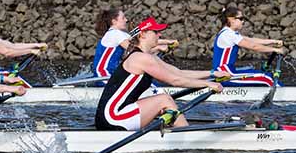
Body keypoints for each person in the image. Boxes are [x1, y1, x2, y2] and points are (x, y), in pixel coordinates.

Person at [95, 18, 229, 131]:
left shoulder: (147, 57)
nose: (159, 35)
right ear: (143, 35)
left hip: (116, 115)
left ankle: (182, 132)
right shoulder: (141, 59)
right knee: (164, 100)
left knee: (164, 102)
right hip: (113, 118)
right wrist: (208, 84)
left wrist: (212, 73)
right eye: (156, 32)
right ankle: (188, 138)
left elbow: (178, 73)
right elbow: (175, 80)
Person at [92, 7, 178, 83]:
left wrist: (168, 42)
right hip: (104, 74)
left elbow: (142, 40)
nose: (126, 20)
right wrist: (158, 48)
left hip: (110, 73)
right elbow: (134, 51)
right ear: (114, 21)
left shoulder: (118, 34)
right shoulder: (115, 34)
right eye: (123, 18)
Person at [212, 7, 284, 86]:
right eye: (241, 18)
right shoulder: (228, 34)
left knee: (252, 70)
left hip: (226, 73)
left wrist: (273, 41)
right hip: (225, 76)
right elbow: (253, 46)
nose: (243, 21)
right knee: (266, 77)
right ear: (231, 19)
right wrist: (274, 49)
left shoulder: (228, 32)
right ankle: (286, 96)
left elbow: (251, 40)